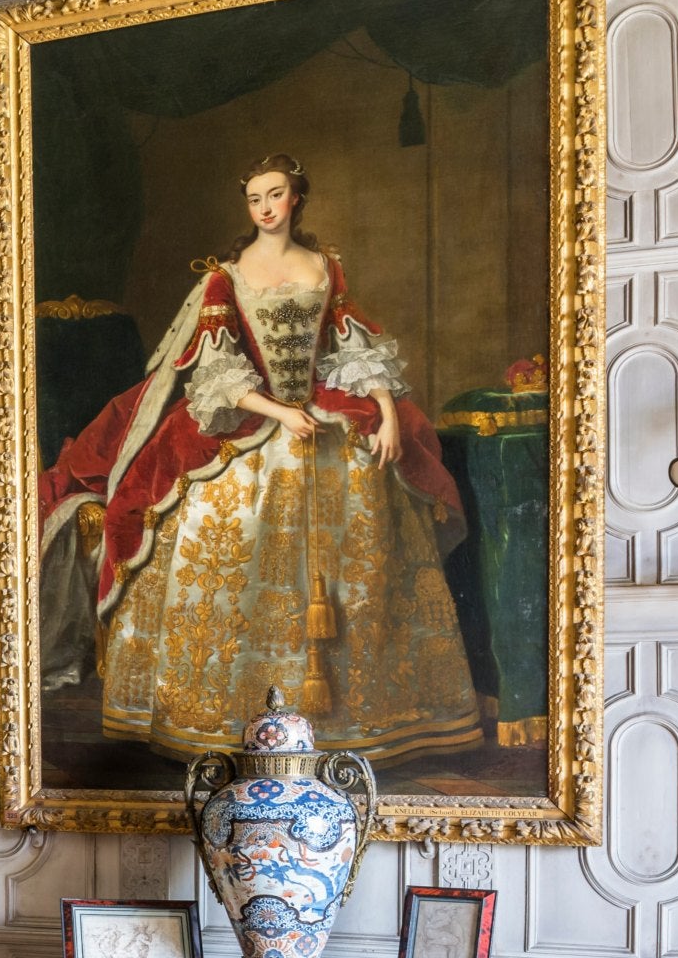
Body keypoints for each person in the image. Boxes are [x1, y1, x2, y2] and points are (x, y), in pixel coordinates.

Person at [36, 155, 482, 760]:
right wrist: (278, 412)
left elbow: (349, 345)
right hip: (252, 415)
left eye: (276, 195)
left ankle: (369, 719)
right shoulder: (226, 276)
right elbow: (215, 369)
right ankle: (220, 712)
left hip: (323, 411)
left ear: (297, 199)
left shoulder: (327, 267)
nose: (265, 207)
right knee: (216, 531)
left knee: (370, 517)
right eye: (255, 198)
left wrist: (388, 410)